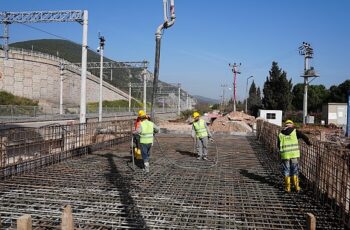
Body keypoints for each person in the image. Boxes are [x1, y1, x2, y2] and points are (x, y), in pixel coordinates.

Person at [278, 119, 311, 192]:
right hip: (294, 155)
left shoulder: (281, 134)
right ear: (292, 125)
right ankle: (297, 187)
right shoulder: (295, 131)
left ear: (285, 126)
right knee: (295, 170)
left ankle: (288, 188)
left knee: (286, 171)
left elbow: (278, 145)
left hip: (285, 155)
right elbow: (304, 136)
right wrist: (308, 143)